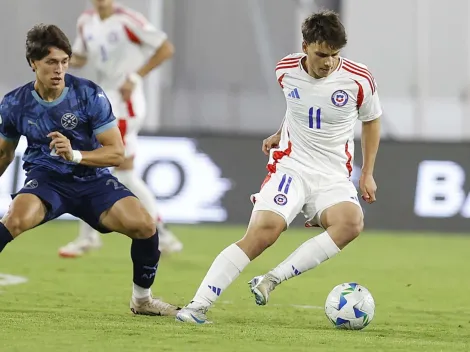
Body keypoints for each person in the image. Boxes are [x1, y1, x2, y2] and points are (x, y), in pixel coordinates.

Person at [176, 10, 381, 324]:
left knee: (351, 223)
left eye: (334, 55)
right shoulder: (285, 70)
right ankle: (196, 306)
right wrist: (280, 132)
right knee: (263, 233)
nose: (328, 62)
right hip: (291, 167)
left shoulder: (358, 79)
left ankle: (271, 279)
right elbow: (296, 107)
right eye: (321, 54)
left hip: (333, 175)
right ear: (305, 47)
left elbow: (371, 121)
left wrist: (367, 172)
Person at [0, 23, 179, 316]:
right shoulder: (14, 104)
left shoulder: (88, 95)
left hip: (91, 180)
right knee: (14, 220)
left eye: (64, 62)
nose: (59, 69)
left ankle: (142, 300)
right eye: (51, 62)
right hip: (47, 180)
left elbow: (116, 152)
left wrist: (75, 155)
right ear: (33, 63)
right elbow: (4, 155)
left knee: (145, 226)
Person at [58, 0, 183, 258]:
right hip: (105, 101)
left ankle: (90, 237)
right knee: (120, 171)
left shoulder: (128, 20)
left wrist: (135, 77)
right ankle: (161, 233)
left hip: (125, 105)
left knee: (102, 165)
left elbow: (165, 48)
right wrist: (63, 58)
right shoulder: (87, 21)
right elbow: (82, 56)